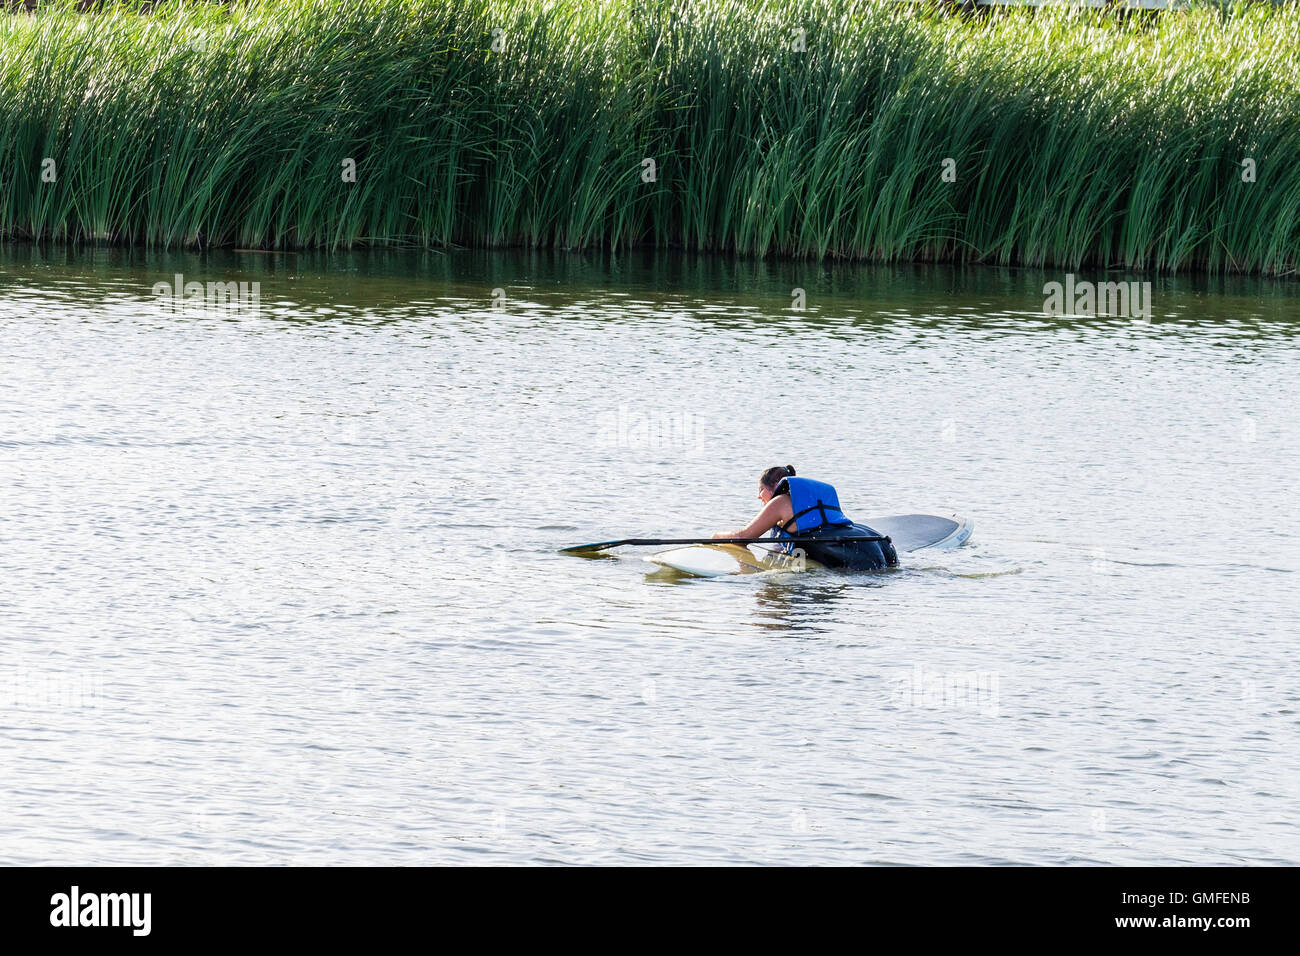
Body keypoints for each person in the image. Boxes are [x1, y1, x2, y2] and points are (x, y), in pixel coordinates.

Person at [713, 465, 898, 571]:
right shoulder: (810, 499)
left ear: (776, 485)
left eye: (761, 491)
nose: (759, 497)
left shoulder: (780, 502)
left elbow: (743, 538)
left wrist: (717, 537)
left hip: (852, 556)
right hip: (876, 545)